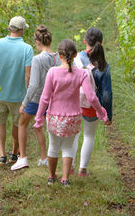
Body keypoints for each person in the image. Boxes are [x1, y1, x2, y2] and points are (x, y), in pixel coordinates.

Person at [33, 39, 107, 187]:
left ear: (59, 55)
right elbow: (91, 96)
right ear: (75, 56)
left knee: (53, 146)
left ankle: (51, 176)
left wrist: (39, 117)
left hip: (54, 116)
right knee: (68, 146)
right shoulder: (82, 74)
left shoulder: (52, 72)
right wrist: (101, 112)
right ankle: (65, 179)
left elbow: (45, 97)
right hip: (73, 117)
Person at [11, 26, 61, 171]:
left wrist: (24, 103)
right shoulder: (58, 57)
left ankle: (23, 158)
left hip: (37, 99)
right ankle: (44, 157)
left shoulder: (37, 59)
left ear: (37, 42)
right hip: (52, 99)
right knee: (39, 127)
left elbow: (33, 85)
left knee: (22, 123)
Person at [0, 16, 33, 165]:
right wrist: (29, 94)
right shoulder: (27, 48)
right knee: (17, 124)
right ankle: (14, 153)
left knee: (0, 123)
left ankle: (1, 155)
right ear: (22, 30)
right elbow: (28, 75)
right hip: (18, 95)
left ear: (9, 28)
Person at [73, 27, 113, 177]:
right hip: (92, 105)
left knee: (74, 135)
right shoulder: (103, 65)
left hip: (75, 103)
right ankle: (82, 169)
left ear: (85, 41)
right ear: (101, 43)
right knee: (89, 135)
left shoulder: (75, 59)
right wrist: (106, 113)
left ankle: (69, 166)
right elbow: (107, 94)